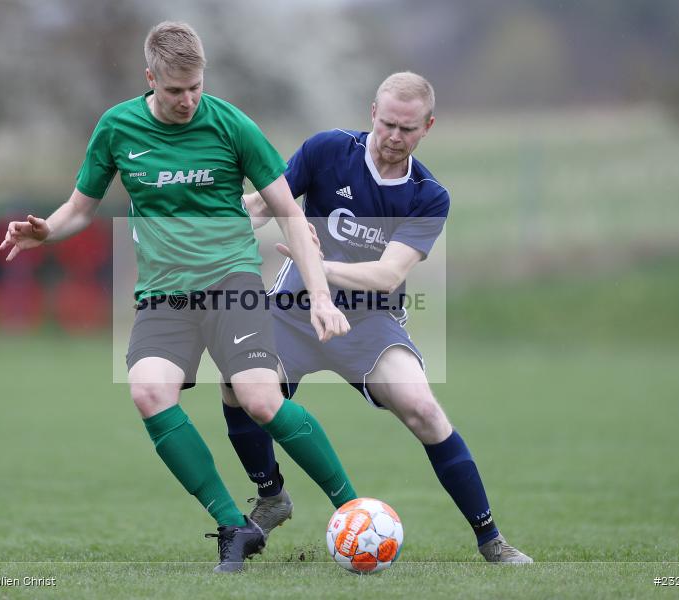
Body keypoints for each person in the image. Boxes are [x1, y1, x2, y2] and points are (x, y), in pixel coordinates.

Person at [0, 21, 359, 573]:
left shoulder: (231, 124)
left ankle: (354, 511)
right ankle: (234, 527)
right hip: (164, 294)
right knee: (148, 391)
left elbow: (289, 210)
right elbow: (80, 206)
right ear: (150, 79)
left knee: (260, 399)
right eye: (174, 90)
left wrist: (320, 297)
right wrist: (46, 228)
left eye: (196, 87)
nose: (188, 99)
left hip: (232, 282)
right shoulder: (117, 127)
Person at [220, 72, 532, 563]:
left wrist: (318, 265)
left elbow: (389, 275)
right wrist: (200, 219)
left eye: (407, 129)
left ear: (427, 126)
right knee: (237, 388)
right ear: (372, 113)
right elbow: (261, 206)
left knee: (426, 411)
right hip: (294, 311)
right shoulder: (326, 151)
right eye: (387, 123)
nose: (393, 137)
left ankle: (490, 539)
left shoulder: (429, 195)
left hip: (370, 321)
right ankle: (272, 495)